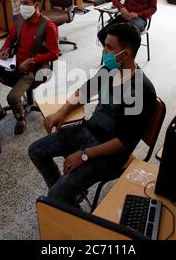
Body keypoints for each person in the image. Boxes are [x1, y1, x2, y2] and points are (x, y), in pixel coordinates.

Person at [29, 23, 156, 206]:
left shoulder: (141, 90)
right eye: (104, 45)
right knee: (36, 151)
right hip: (89, 131)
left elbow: (123, 142)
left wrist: (83, 155)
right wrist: (60, 113)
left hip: (110, 153)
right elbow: (85, 91)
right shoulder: (110, 70)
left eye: (109, 47)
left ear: (126, 54)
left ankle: (65, 204)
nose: (104, 51)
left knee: (55, 196)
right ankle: (68, 198)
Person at [0, 0, 59, 135]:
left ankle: (20, 118)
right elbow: (11, 38)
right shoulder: (19, 19)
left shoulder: (48, 25)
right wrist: (5, 50)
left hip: (32, 70)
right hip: (13, 62)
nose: (22, 6)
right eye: (21, 2)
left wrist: (32, 61)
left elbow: (54, 54)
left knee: (12, 97)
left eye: (25, 3)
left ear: (36, 5)